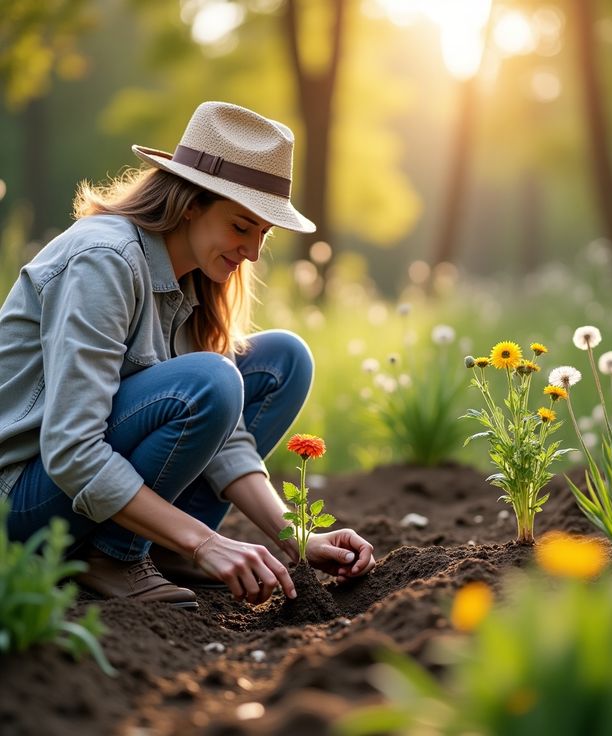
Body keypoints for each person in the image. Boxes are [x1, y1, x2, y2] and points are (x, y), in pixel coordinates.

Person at [0, 100, 375, 609]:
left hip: (75, 486)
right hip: (21, 499)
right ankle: (116, 556)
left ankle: (162, 547)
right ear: (190, 201)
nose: (253, 253)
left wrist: (299, 538)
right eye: (242, 227)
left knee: (282, 361)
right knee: (212, 380)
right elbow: (72, 450)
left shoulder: (191, 276)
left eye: (264, 234)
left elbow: (223, 434)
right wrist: (207, 541)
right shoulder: (104, 261)